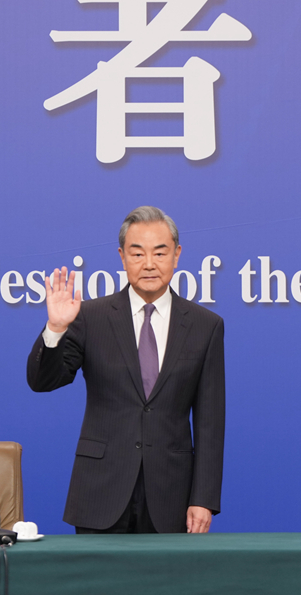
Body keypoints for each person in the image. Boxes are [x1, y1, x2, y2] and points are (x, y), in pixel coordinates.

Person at [27, 206, 225, 534]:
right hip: (100, 491)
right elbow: (43, 381)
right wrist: (56, 328)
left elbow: (210, 422)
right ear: (122, 257)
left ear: (176, 255)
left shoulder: (205, 326)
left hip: (172, 494)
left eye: (159, 252)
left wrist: (203, 498)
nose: (149, 264)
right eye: (137, 253)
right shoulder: (90, 317)